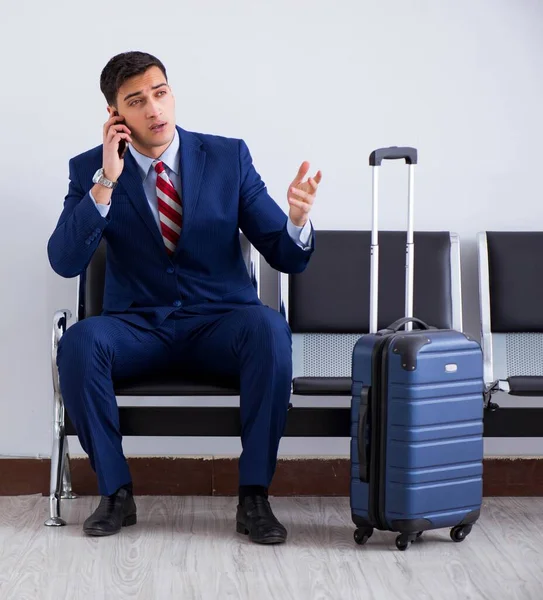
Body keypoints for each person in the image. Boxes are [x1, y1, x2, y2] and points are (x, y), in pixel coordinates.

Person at [47, 51, 321, 544]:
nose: (154, 109)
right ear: (116, 116)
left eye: (160, 93)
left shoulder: (227, 157)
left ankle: (254, 496)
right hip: (139, 329)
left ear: (171, 93)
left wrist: (296, 221)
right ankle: (116, 494)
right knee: (80, 342)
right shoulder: (90, 168)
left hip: (220, 325)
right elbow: (65, 260)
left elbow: (287, 256)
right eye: (136, 101)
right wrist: (106, 180)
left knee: (268, 329)